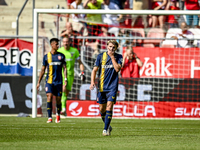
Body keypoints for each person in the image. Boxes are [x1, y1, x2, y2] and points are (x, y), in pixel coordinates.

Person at [90, 40, 123, 136]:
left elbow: (117, 69)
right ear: (107, 46)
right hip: (101, 87)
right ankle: (108, 125)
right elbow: (94, 70)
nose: (111, 49)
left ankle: (105, 130)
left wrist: (112, 57)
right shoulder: (100, 56)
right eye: (110, 46)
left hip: (112, 87)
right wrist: (92, 82)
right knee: (102, 109)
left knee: (109, 106)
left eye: (113, 47)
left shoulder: (119, 57)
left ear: (116, 48)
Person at [37, 38, 67, 123]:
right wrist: (38, 82)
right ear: (52, 45)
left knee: (58, 99)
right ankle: (49, 117)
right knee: (49, 97)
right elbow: (43, 70)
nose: (58, 46)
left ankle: (58, 114)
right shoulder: (47, 57)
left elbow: (65, 68)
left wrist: (65, 79)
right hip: (49, 81)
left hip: (58, 82)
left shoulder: (61, 56)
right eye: (56, 44)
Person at [58, 36, 85, 115]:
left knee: (66, 93)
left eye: (67, 42)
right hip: (61, 74)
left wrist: (82, 72)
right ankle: (62, 109)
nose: (65, 43)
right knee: (63, 89)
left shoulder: (74, 51)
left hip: (71, 74)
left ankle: (63, 108)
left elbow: (80, 62)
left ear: (70, 42)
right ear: (62, 43)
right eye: (64, 42)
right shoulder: (59, 51)